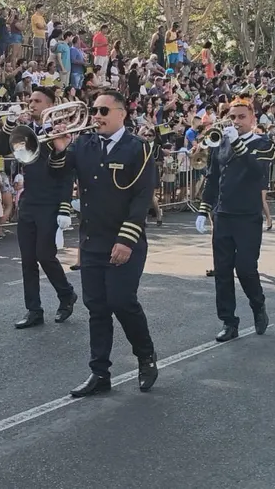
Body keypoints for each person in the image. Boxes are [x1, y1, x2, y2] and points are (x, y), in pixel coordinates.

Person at [48, 90, 158, 396]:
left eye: (103, 111)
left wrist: (126, 240)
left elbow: (141, 199)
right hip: (93, 241)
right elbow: (58, 174)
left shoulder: (139, 148)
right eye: (94, 111)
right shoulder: (83, 144)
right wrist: (58, 149)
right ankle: (100, 373)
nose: (96, 116)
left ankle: (145, 356)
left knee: (122, 301)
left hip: (125, 240)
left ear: (121, 113)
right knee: (96, 307)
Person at [195, 97, 275, 342]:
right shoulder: (221, 142)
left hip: (248, 215)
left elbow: (257, 171)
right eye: (233, 117)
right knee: (222, 271)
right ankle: (229, 322)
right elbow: (213, 177)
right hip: (223, 214)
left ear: (252, 118)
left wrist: (238, 143)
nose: (237, 121)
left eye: (242, 117)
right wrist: (203, 208)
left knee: (246, 269)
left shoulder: (264, 143)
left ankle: (258, 305)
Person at [0, 86, 77, 329]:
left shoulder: (60, 131)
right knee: (28, 259)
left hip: (51, 203)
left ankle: (66, 294)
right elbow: (1, 151)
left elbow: (66, 173)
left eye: (37, 101)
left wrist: (65, 207)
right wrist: (10, 123)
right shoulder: (26, 131)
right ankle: (34, 309)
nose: (31, 104)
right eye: (30, 100)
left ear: (51, 105)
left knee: (45, 255)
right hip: (30, 200)